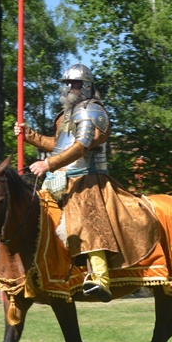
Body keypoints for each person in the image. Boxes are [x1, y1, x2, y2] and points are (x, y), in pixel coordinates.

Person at [14, 63, 160, 302]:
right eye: (67, 84)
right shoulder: (67, 114)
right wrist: (29, 136)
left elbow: (81, 146)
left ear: (86, 86)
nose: (69, 88)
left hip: (88, 179)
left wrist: (48, 164)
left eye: (74, 83)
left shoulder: (92, 111)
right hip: (61, 179)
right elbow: (60, 145)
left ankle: (101, 279)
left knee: (88, 221)